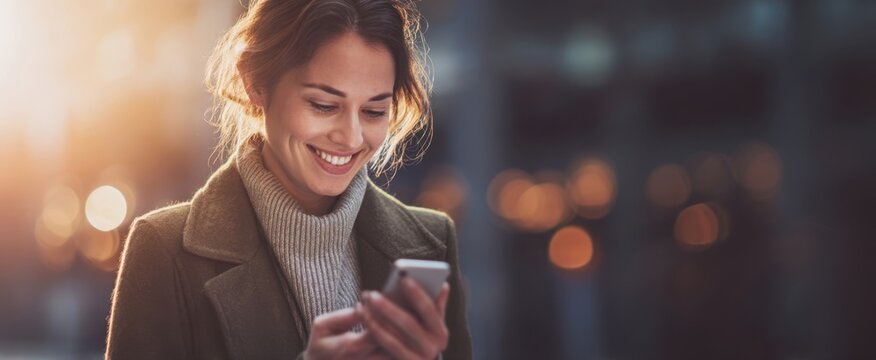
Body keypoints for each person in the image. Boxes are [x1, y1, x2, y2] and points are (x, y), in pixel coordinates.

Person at [104, 0, 472, 359]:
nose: (352, 137)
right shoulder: (165, 250)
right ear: (256, 83)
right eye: (324, 105)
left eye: (375, 111)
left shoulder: (431, 242)